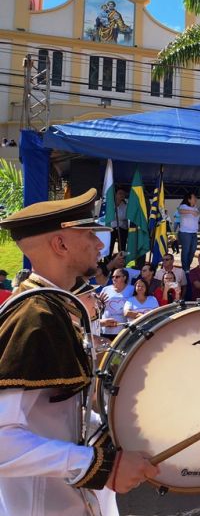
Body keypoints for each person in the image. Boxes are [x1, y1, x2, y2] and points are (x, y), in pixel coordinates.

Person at [0, 189, 157, 515]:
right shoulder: (34, 316)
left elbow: (65, 415)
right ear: (60, 245)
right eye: (89, 234)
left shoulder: (55, 307)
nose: (100, 245)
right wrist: (97, 465)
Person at [99, 268, 134, 339]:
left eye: (117, 277)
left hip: (123, 330)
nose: (114, 279)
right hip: (106, 330)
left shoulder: (132, 289)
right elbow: (98, 307)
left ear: (124, 277)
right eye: (113, 277)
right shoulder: (106, 289)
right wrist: (100, 303)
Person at [177, 193, 200, 272]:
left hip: (194, 232)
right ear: (189, 199)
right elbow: (180, 211)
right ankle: (185, 269)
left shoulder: (196, 207)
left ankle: (187, 267)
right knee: (186, 250)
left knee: (193, 250)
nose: (196, 199)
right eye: (194, 197)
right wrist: (191, 211)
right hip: (185, 233)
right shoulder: (183, 206)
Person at [109, 188, 128, 254]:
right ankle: (107, 262)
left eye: (123, 194)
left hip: (122, 229)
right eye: (120, 193)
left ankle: (121, 262)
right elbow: (109, 216)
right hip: (112, 229)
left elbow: (124, 217)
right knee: (110, 246)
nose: (122, 195)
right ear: (116, 195)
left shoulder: (126, 206)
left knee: (122, 247)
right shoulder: (111, 205)